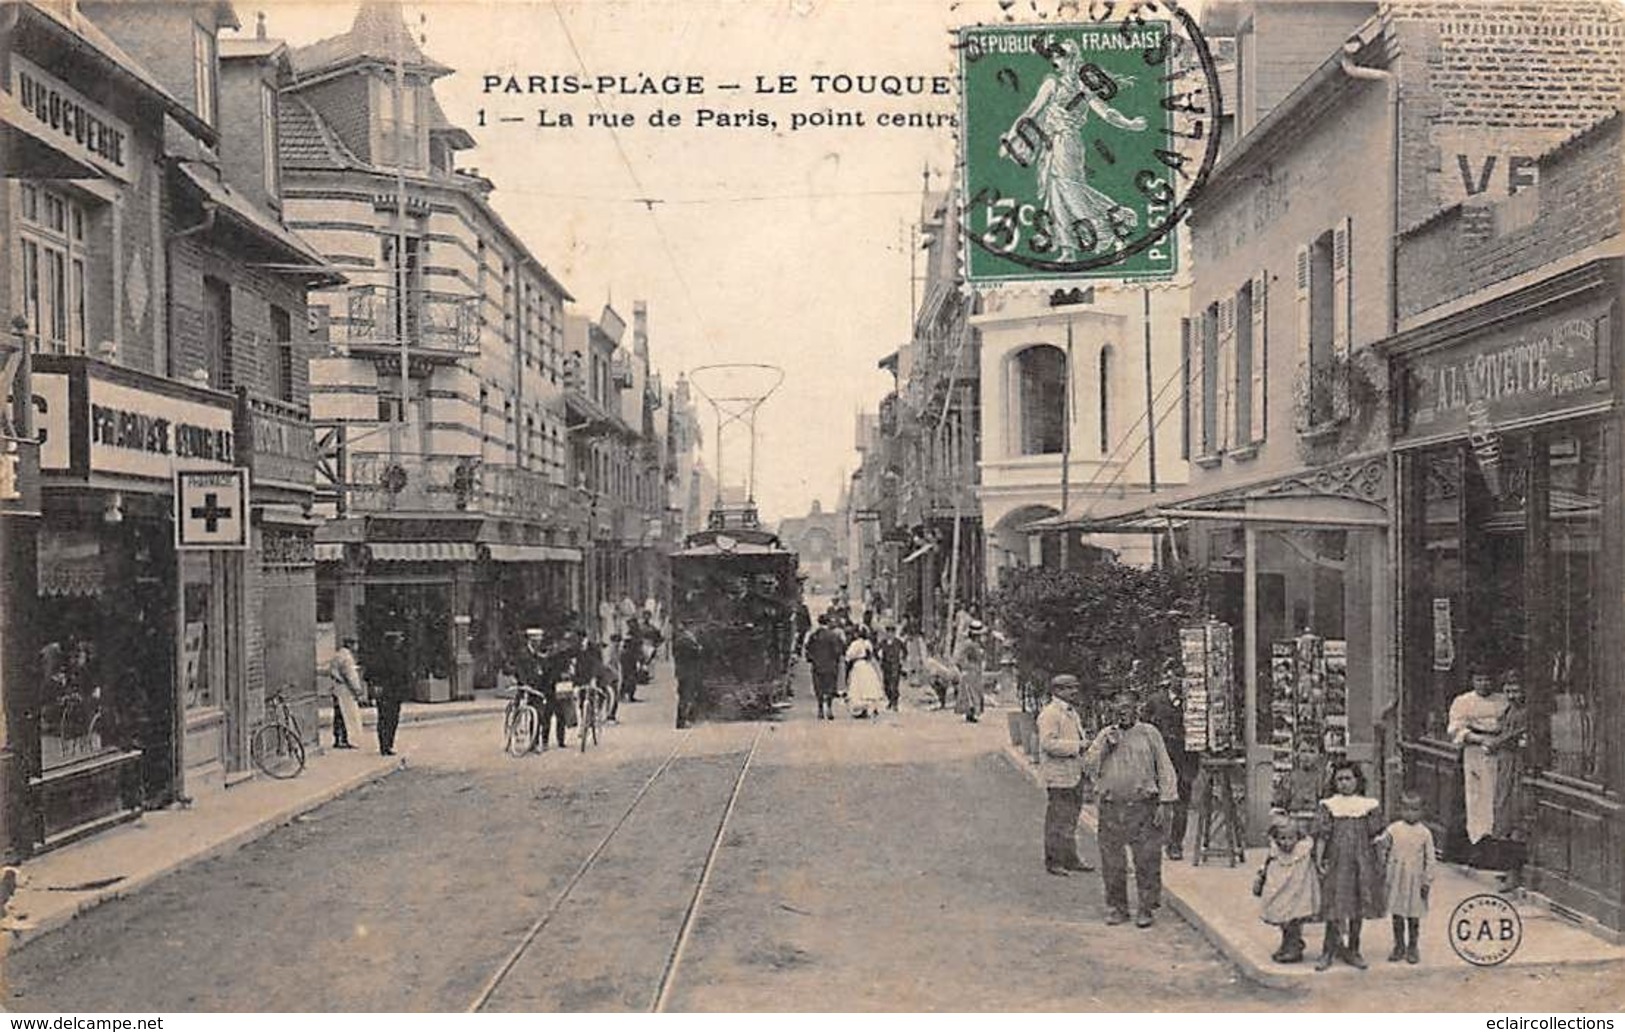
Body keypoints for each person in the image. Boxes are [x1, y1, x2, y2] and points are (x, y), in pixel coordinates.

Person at [1000, 37, 1149, 262]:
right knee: (1057, 193)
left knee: (1070, 191)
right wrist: (1012, 139)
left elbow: (1106, 111)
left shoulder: (1083, 88)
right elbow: (1031, 112)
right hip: (1055, 144)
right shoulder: (1052, 84)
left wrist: (1129, 124)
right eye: (1054, 56)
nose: (1055, 61)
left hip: (1067, 143)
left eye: (1061, 56)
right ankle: (1069, 249)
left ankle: (1112, 229)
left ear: (1072, 59)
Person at [1082, 689, 1179, 927]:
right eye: (1118, 708)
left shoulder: (1149, 733)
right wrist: (1106, 747)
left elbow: (1165, 768)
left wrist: (1165, 803)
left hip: (1143, 806)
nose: (1123, 712)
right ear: (1112, 710)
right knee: (1112, 861)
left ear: (1137, 708)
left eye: (1127, 707)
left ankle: (1146, 908)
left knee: (1146, 859)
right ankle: (1117, 908)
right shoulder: (1106, 735)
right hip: (1112, 807)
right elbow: (1088, 765)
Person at [1312, 760, 1384, 971]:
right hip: (1337, 862)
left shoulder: (1368, 806)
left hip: (1361, 862)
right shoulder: (1329, 805)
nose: (1344, 783)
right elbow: (1323, 837)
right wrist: (1318, 860)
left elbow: (1376, 837)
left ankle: (1353, 948)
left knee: (1357, 905)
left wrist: (1380, 862)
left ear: (1357, 781)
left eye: (1348, 779)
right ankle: (1328, 950)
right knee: (1334, 905)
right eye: (1339, 779)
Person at [1447, 664, 1511, 864]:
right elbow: (1455, 729)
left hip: (1500, 751)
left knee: (1497, 797)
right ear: (1473, 681)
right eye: (1479, 680)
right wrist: (1479, 739)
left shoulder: (1503, 700)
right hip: (1474, 753)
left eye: (1487, 680)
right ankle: (1477, 846)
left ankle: (1497, 845)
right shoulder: (1463, 701)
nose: (1484, 684)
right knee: (1476, 798)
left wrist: (1498, 740)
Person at [1038, 675, 1094, 876]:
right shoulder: (1050, 714)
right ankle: (1054, 861)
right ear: (1058, 691)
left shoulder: (1071, 713)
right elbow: (1048, 743)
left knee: (1071, 818)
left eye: (1075, 688)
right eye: (1070, 688)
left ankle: (1070, 857)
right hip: (1059, 776)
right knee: (1058, 819)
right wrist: (1078, 747)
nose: (1074, 692)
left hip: (1073, 773)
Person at [1141, 661, 1196, 859]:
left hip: (1186, 760)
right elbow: (1143, 728)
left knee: (1181, 802)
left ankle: (1175, 844)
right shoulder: (1155, 701)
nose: (1181, 681)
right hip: (1160, 758)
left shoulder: (1195, 702)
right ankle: (1153, 841)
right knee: (1156, 800)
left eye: (1185, 677)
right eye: (1177, 676)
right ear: (1169, 677)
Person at [1374, 791, 1436, 965]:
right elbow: (1383, 845)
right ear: (1400, 809)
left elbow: (1430, 859)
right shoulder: (1394, 829)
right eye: (1407, 809)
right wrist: (1379, 850)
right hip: (1397, 878)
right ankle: (1399, 945)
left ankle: (1413, 946)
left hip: (1415, 879)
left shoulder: (1425, 833)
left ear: (1422, 811)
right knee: (1398, 912)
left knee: (1413, 914)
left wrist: (1427, 880)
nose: (1410, 813)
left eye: (1415, 809)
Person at [1255, 814, 1319, 964]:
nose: (1286, 843)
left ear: (1298, 837)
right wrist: (1262, 875)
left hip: (1297, 891)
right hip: (1280, 890)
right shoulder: (1275, 851)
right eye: (1282, 839)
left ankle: (1294, 947)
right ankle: (1288, 944)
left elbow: (1310, 868)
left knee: (1293, 920)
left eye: (1291, 838)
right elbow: (1268, 863)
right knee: (1281, 918)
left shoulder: (1303, 851)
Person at [369, 630, 410, 757]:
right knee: (388, 719)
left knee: (388, 719)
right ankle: (386, 745)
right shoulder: (384, 657)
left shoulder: (393, 655)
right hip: (388, 692)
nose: (400, 643)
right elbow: (372, 674)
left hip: (392, 692)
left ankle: (386, 745)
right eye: (398, 641)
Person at [325, 637, 366, 750]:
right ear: (350, 645)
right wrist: (357, 690)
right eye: (355, 644)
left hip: (336, 689)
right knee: (346, 714)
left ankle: (338, 738)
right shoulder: (347, 658)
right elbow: (350, 676)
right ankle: (344, 738)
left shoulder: (337, 655)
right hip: (345, 690)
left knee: (338, 714)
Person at [805, 613, 845, 721]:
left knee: (819, 688)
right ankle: (829, 708)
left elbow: (807, 649)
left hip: (817, 666)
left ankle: (820, 709)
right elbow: (838, 650)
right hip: (830, 666)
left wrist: (812, 659)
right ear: (828, 623)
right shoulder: (833, 636)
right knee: (830, 688)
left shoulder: (814, 636)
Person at [843, 633, 887, 718]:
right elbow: (871, 654)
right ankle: (869, 709)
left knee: (858, 688)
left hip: (858, 665)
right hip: (867, 665)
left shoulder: (855, 644)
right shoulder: (868, 643)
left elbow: (849, 656)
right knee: (868, 687)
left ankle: (865, 709)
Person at [953, 621, 987, 723]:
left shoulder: (976, 645)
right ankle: (970, 713)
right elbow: (960, 658)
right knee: (970, 693)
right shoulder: (968, 644)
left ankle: (973, 713)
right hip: (970, 671)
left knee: (975, 692)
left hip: (976, 671)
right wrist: (965, 667)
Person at [673, 623, 704, 729]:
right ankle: (682, 721)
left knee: (685, 696)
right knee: (686, 696)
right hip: (687, 672)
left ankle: (683, 720)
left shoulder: (683, 639)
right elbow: (694, 653)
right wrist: (699, 649)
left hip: (683, 672)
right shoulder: (686, 640)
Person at [875, 624, 906, 711]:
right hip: (886, 665)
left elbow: (905, 651)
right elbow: (876, 650)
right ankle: (890, 700)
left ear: (894, 633)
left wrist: (902, 659)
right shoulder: (883, 642)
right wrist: (879, 659)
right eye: (888, 632)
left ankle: (895, 703)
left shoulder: (898, 642)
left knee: (894, 685)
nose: (890, 634)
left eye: (892, 632)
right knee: (886, 685)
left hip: (895, 665)